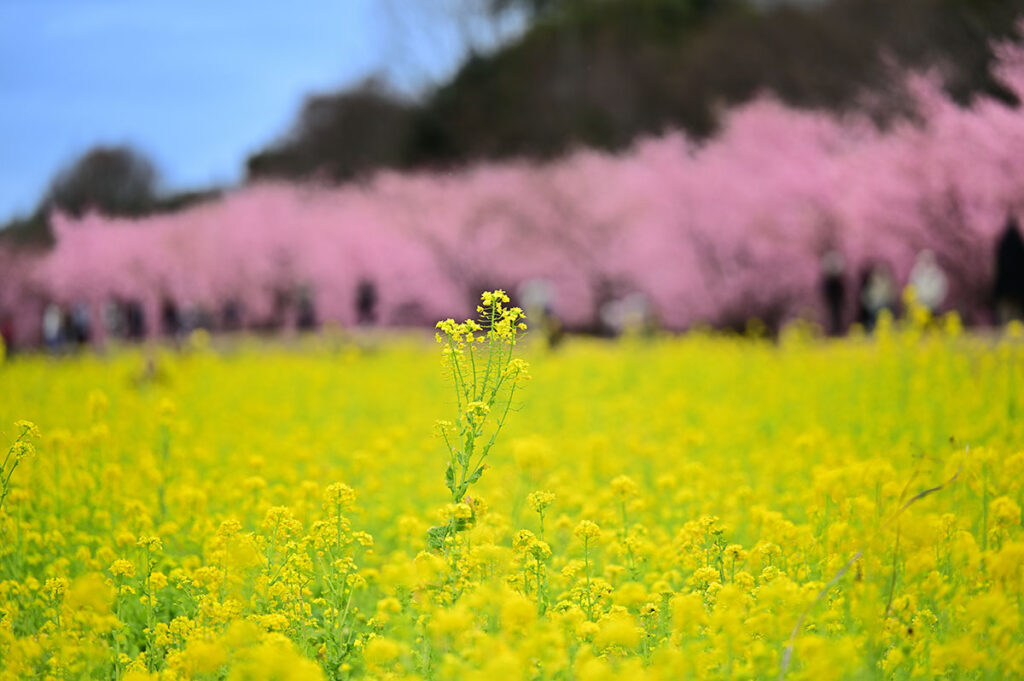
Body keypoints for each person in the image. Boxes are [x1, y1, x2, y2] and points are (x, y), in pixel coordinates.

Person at [994, 215, 1024, 324]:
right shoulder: (1019, 245)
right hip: (1019, 289)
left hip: (1004, 289)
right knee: (1017, 316)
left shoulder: (1003, 245)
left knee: (1006, 317)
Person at [908, 250, 947, 315]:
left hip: (934, 306)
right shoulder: (916, 272)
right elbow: (912, 287)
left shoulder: (937, 273)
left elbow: (942, 289)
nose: (925, 261)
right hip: (919, 305)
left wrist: (936, 301)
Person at [820, 251, 845, 336]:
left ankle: (836, 332)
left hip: (835, 301)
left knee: (836, 317)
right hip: (833, 301)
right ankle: (835, 332)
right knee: (833, 317)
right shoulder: (832, 280)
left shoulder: (834, 280)